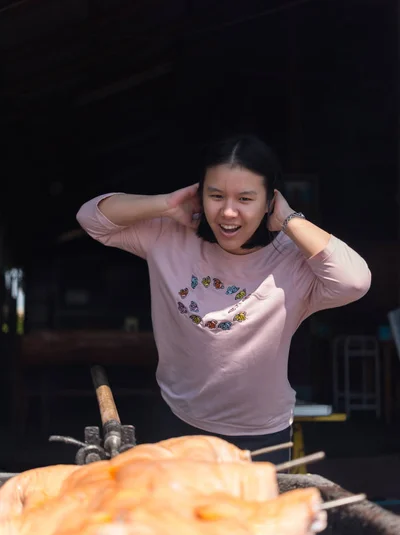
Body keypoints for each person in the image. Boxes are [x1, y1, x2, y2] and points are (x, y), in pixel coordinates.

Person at [76, 134, 371, 463]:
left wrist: (289, 219)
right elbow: (91, 219)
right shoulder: (168, 235)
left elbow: (355, 281)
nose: (228, 212)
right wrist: (167, 204)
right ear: (199, 195)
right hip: (177, 419)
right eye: (215, 195)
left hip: (261, 434)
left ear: (269, 201)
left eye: (245, 199)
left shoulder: (293, 262)